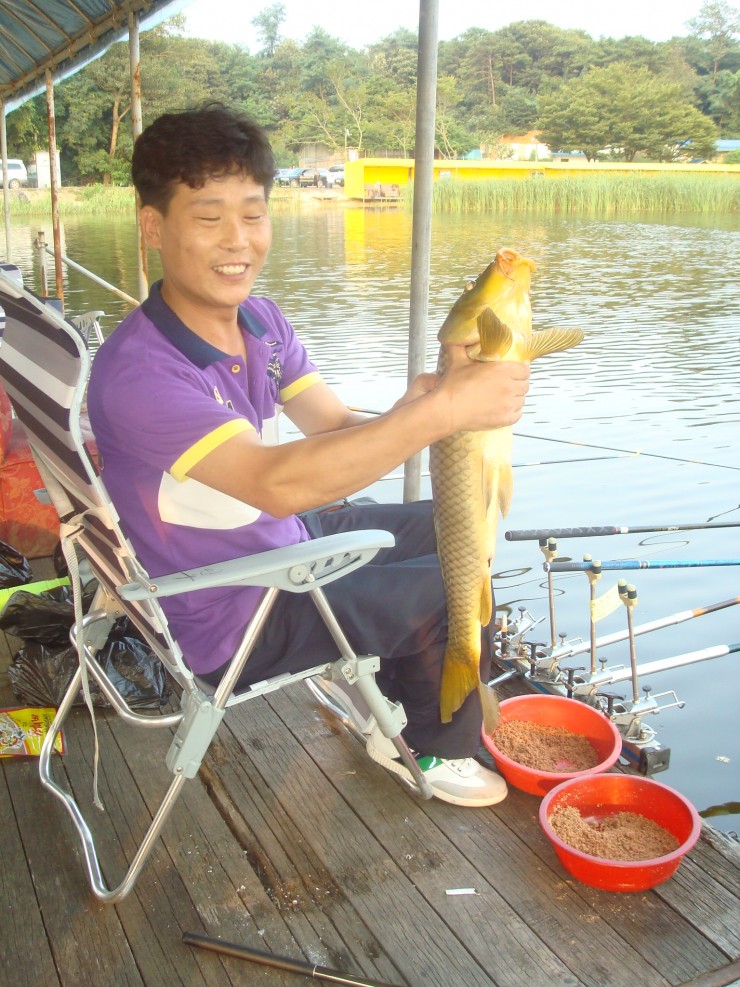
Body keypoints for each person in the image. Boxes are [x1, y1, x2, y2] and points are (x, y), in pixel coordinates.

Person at [87, 104, 530, 808]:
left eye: (253, 214)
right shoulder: (141, 372)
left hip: (278, 543)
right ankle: (430, 743)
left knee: (455, 529)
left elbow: (333, 426)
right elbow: (278, 484)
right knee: (446, 591)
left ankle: (399, 698)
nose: (238, 241)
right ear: (153, 226)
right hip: (233, 609)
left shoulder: (259, 322)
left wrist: (421, 408)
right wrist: (442, 414)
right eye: (209, 218)